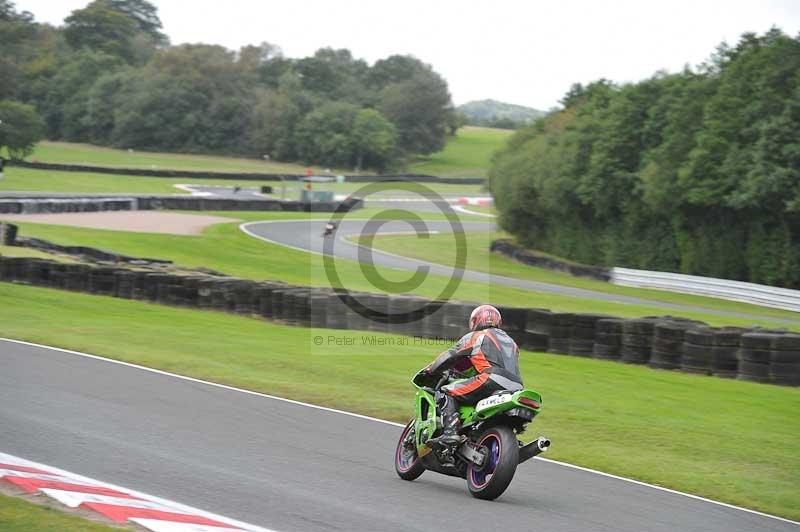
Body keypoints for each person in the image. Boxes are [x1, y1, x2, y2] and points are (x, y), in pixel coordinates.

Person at [424, 305, 523, 446]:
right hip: (517, 387)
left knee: (447, 391)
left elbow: (450, 356)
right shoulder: (512, 343)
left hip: (491, 379)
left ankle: (450, 433)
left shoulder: (477, 336)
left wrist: (432, 370)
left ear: (476, 321)